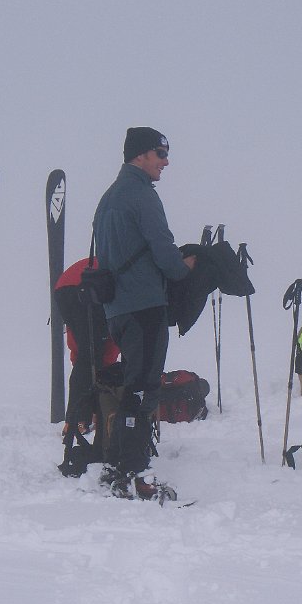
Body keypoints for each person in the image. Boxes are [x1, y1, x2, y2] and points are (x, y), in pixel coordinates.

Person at [93, 126, 195, 500]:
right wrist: (187, 268)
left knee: (132, 388)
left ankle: (117, 468)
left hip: (117, 310)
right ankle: (136, 476)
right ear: (140, 155)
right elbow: (165, 254)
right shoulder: (141, 195)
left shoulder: (108, 199)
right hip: (144, 306)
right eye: (160, 153)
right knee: (142, 390)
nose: (166, 162)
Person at [54, 257, 120, 437]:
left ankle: (77, 418)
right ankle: (81, 418)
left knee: (87, 356)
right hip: (86, 286)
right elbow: (111, 347)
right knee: (92, 357)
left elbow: (77, 340)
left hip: (65, 286)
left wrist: (80, 359)